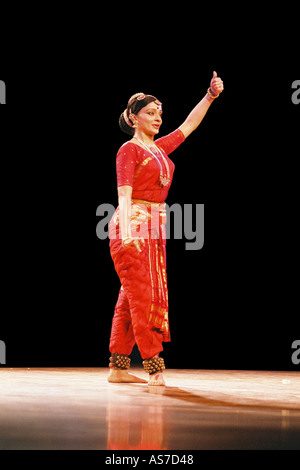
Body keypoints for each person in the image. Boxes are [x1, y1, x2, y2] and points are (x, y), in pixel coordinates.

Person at [108, 72, 224, 385]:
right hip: (132, 226)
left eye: (160, 111)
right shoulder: (129, 150)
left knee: (130, 298)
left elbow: (188, 126)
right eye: (150, 112)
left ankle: (118, 367)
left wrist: (209, 97)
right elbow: (124, 192)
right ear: (134, 118)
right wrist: (129, 233)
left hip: (154, 229)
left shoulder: (158, 148)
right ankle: (154, 368)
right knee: (143, 298)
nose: (158, 116)